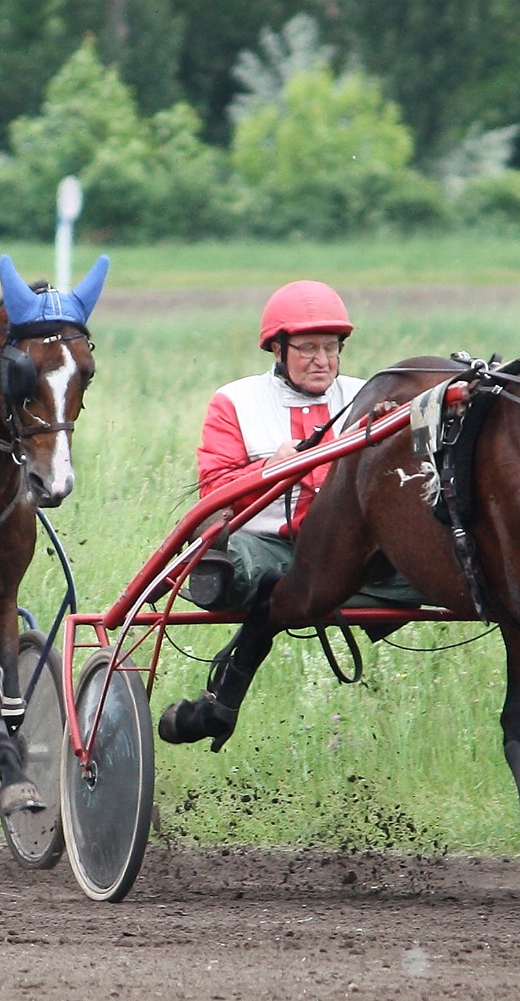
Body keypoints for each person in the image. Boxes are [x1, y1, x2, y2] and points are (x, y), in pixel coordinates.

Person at [160, 279, 416, 747]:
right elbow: (215, 489)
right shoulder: (235, 402)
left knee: (432, 570)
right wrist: (267, 469)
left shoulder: (370, 398)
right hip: (267, 544)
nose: (323, 360)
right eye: (309, 348)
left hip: (347, 554)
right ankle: (284, 595)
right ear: (277, 349)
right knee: (242, 570)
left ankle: (278, 618)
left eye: (332, 348)